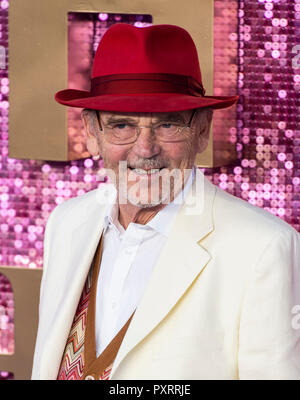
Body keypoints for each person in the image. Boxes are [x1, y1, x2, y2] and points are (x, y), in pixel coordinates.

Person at [31, 23, 300, 380]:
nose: (145, 150)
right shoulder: (66, 223)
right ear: (92, 132)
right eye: (122, 126)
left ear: (202, 129)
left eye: (168, 125)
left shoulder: (263, 248)